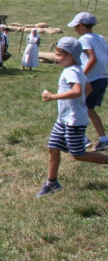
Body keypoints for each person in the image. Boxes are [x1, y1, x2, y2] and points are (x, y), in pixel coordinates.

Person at [38, 37, 108, 197]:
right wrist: (79, 104)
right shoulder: (78, 70)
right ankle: (52, 183)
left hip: (74, 121)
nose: (56, 57)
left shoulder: (72, 71)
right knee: (53, 148)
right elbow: (88, 88)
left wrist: (53, 96)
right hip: (64, 119)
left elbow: (78, 91)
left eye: (59, 54)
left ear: (71, 56)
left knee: (78, 154)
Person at [70, 12, 108, 151]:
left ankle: (82, 138)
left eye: (76, 26)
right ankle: (103, 139)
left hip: (91, 79)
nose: (75, 29)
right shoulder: (100, 37)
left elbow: (92, 59)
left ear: (81, 25)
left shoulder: (84, 39)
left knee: (75, 105)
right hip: (102, 77)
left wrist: (81, 75)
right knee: (88, 109)